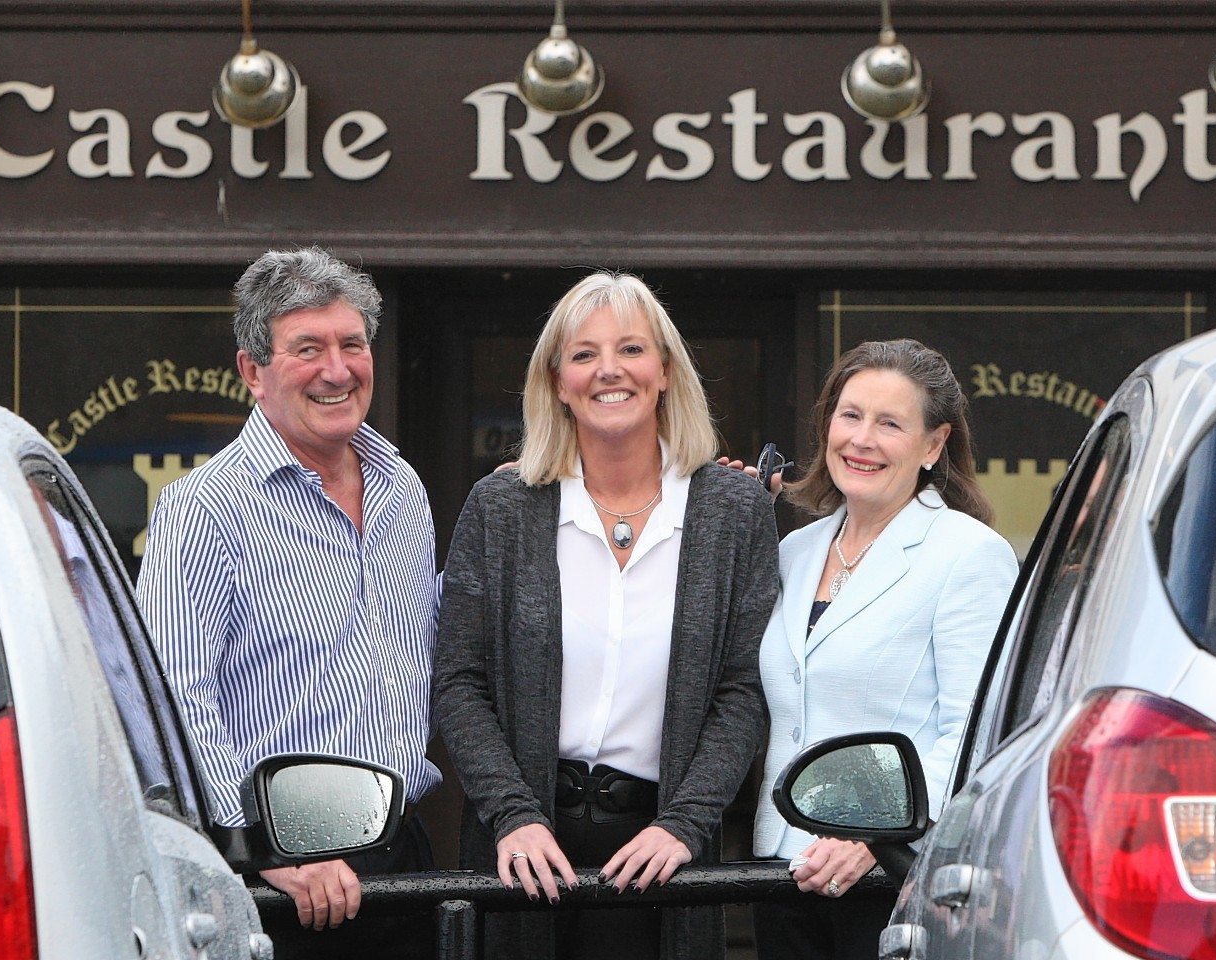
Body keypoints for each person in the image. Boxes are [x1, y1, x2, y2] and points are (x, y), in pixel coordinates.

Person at [433, 271, 778, 960]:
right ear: (557, 380)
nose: (608, 370)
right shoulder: (501, 509)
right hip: (523, 848)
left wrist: (686, 823)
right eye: (584, 354)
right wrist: (513, 816)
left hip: (662, 849)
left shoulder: (734, 514)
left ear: (665, 371)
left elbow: (744, 691)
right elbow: (459, 683)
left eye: (630, 349)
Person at [137, 246, 441, 948]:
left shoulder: (404, 489)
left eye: (351, 344)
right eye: (308, 348)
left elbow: (430, 639)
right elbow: (175, 702)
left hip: (404, 860)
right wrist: (262, 850)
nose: (336, 370)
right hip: (285, 882)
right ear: (254, 370)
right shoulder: (203, 509)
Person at [749, 339, 1017, 960]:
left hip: (891, 877)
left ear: (933, 445)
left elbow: (978, 730)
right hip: (779, 866)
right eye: (850, 415)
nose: (862, 439)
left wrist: (879, 834)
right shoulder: (795, 551)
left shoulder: (967, 554)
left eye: (889, 424)